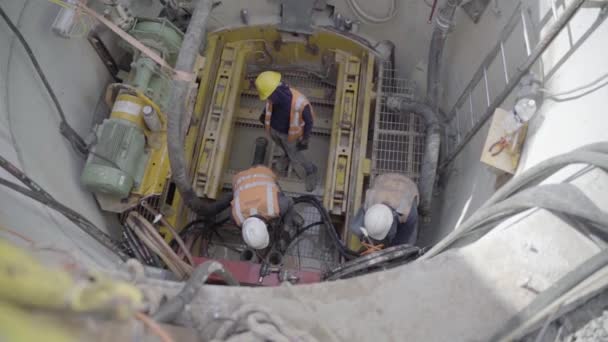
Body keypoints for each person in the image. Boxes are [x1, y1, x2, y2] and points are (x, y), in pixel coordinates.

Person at [255, 71, 318, 192]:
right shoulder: (273, 96)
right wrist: (263, 116)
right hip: (274, 132)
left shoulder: (299, 102)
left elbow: (309, 121)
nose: (268, 99)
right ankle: (287, 155)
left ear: (274, 92)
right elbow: (268, 107)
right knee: (286, 149)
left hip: (289, 136)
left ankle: (311, 169)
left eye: (269, 96)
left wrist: (306, 138)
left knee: (295, 155)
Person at [231, 165, 295, 250]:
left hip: (263, 172)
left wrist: (286, 230)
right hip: (240, 177)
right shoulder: (236, 217)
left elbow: (290, 202)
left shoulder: (275, 206)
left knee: (282, 199)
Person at [350, 173, 420, 248]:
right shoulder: (371, 199)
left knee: (407, 244)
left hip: (408, 186)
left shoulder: (407, 211)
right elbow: (357, 226)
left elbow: (403, 241)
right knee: (357, 227)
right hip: (385, 181)